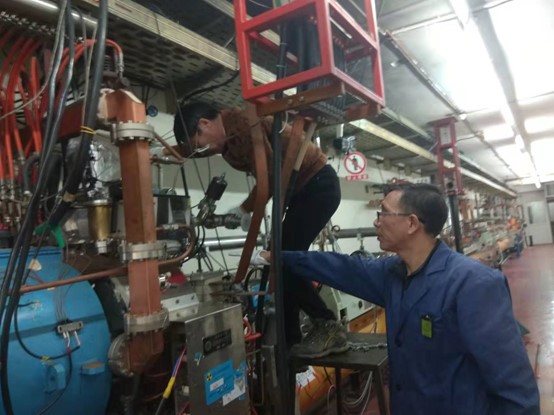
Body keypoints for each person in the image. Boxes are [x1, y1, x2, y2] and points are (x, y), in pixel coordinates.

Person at [255, 183, 540, 414]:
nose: (376, 221)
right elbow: (341, 267)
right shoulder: (391, 273)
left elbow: (514, 385)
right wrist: (280, 258)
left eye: (383, 213)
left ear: (412, 223)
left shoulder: (473, 284)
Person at [171, 102, 347, 358]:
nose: (202, 152)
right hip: (306, 190)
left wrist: (244, 209)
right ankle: (291, 344)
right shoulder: (227, 136)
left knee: (283, 260)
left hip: (317, 185)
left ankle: (328, 326)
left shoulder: (241, 126)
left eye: (199, 144)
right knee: (280, 262)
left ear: (205, 124)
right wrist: (165, 150)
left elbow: (271, 175)